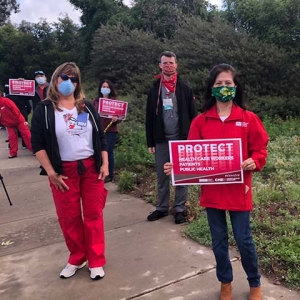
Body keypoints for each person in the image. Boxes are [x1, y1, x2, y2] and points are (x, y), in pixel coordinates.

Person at [164, 63, 268, 300]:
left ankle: (255, 283)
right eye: (219, 84)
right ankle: (225, 283)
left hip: (239, 191)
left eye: (228, 84)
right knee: (218, 241)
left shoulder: (248, 119)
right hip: (212, 194)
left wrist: (255, 160)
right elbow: (190, 153)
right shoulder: (200, 122)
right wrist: (176, 167)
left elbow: (261, 149)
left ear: (235, 87)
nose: (224, 88)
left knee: (244, 240)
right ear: (211, 88)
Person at [30, 62, 109, 280]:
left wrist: (105, 163)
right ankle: (77, 256)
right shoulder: (45, 109)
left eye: (73, 79)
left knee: (93, 214)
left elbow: (98, 136)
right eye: (65, 78)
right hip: (63, 171)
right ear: (56, 79)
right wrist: (50, 172)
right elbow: (37, 144)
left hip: (91, 168)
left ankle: (96, 259)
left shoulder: (84, 107)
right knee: (69, 217)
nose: (69, 83)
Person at [145, 50, 197, 224]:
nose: (168, 65)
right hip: (162, 140)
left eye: (171, 62)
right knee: (162, 175)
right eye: (165, 63)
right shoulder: (154, 89)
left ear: (176, 65)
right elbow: (149, 118)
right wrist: (150, 141)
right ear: (160, 65)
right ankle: (162, 208)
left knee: (182, 175)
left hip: (181, 139)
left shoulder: (185, 89)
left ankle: (180, 209)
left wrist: (193, 139)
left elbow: (193, 116)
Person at [93, 79, 121, 183]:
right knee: (99, 152)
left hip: (110, 131)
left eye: (107, 87)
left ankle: (110, 174)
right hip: (98, 131)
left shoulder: (115, 101)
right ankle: (100, 171)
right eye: (103, 87)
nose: (105, 89)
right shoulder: (95, 101)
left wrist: (116, 119)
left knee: (108, 152)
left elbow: (120, 117)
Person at [5, 84, 32, 149]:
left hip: (12, 116)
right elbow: (29, 106)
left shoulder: (8, 97)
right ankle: (25, 144)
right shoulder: (23, 96)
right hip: (22, 114)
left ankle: (11, 146)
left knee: (12, 132)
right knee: (25, 132)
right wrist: (26, 113)